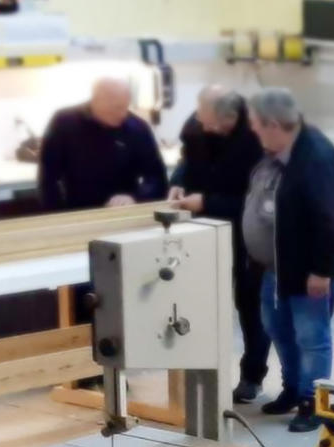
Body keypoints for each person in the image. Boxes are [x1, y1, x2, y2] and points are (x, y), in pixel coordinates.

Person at [239, 88, 334, 433]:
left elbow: (333, 219)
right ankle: (292, 388)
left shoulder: (316, 156)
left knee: (311, 336)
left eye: (257, 126)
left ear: (274, 124)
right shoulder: (277, 154)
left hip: (309, 269)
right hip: (276, 266)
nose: (255, 133)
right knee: (278, 328)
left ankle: (312, 400)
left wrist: (322, 270)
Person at [168, 85, 274, 404]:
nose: (204, 127)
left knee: (250, 305)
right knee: (200, 302)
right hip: (202, 231)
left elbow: (259, 201)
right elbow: (187, 159)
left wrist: (208, 201)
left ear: (232, 116)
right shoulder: (198, 123)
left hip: (247, 232)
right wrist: (177, 181)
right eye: (201, 119)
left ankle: (252, 376)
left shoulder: (258, 138)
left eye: (211, 123)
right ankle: (201, 375)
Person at [37, 78, 167, 210]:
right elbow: (48, 177)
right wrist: (56, 215)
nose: (122, 114)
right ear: (96, 101)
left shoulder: (137, 128)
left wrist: (136, 197)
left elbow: (156, 177)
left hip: (124, 211)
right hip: (78, 210)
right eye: (116, 108)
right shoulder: (64, 122)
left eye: (125, 107)